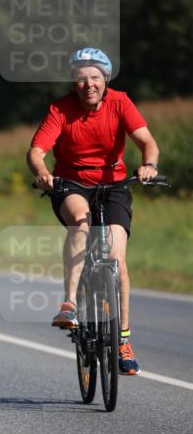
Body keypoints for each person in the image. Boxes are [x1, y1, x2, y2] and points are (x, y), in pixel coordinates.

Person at [27, 47, 160, 375]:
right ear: (74, 83)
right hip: (70, 184)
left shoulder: (120, 102)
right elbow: (36, 150)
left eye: (95, 78)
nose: (88, 84)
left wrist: (149, 165)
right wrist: (43, 173)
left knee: (117, 256)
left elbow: (147, 141)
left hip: (114, 185)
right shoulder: (60, 109)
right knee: (80, 223)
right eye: (82, 79)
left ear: (106, 80)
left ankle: (123, 339)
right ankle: (70, 304)